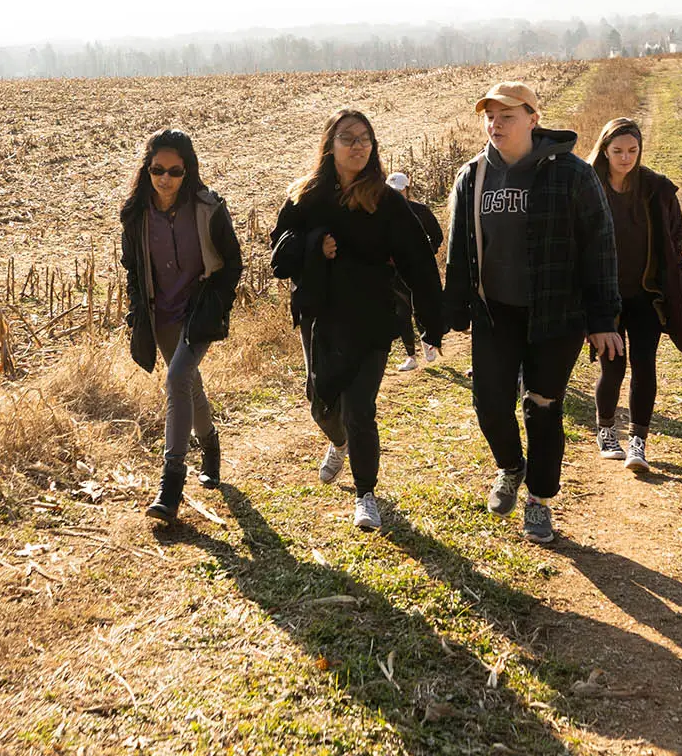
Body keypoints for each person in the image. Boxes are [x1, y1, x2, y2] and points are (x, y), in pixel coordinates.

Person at [444, 82, 622, 545]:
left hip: (556, 315)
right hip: (495, 313)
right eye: (490, 116)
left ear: (532, 119)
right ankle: (510, 466)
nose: (495, 124)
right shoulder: (473, 176)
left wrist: (603, 319)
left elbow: (599, 247)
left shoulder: (572, 175)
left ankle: (540, 501)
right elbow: (460, 250)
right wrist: (452, 311)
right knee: (488, 404)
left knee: (543, 408)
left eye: (506, 116)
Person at [271, 109, 445, 531]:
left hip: (371, 319)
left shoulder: (384, 200)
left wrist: (432, 322)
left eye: (365, 138)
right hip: (320, 317)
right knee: (321, 404)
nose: (358, 145)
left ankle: (366, 494)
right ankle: (339, 443)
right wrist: (315, 244)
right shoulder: (306, 197)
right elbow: (278, 254)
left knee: (360, 408)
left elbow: (419, 261)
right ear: (330, 145)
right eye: (348, 137)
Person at [118, 129, 244, 524]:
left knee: (176, 380)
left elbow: (233, 262)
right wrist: (138, 309)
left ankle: (171, 485)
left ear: (187, 171)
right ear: (147, 169)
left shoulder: (208, 208)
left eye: (175, 171)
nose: (166, 179)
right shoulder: (136, 214)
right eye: (158, 170)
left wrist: (216, 304)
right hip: (162, 316)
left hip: (198, 313)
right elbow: (133, 269)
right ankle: (210, 445)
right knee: (187, 381)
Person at [585, 117, 682, 473]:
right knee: (612, 368)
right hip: (606, 299)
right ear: (604, 149)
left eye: (633, 150)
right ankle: (605, 430)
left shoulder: (655, 188)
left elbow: (674, 239)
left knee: (645, 365)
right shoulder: (589, 186)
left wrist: (674, 281)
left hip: (646, 295)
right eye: (617, 151)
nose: (625, 157)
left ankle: (638, 441)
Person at [386, 171, 445, 372]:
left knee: (421, 305)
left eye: (400, 191)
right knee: (402, 312)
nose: (396, 194)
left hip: (417, 270)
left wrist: (425, 256)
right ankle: (411, 356)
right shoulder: (382, 213)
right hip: (394, 273)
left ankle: (428, 341)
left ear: (407, 189)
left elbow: (436, 236)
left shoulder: (420, 211)